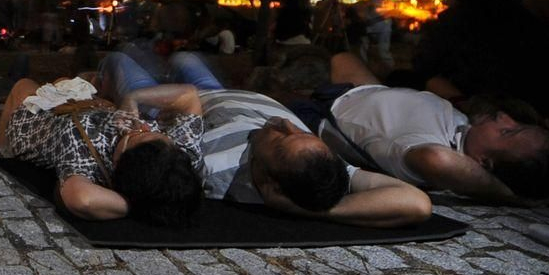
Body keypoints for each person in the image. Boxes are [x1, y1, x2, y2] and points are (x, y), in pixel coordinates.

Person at [105, 51, 432, 226]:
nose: (283, 123)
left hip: (182, 103)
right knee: (185, 57)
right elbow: (417, 203)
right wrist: (320, 211)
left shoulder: (215, 172)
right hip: (228, 93)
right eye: (297, 131)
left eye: (279, 138)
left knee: (121, 59)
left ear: (270, 185)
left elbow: (182, 106)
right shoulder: (318, 168)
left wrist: (134, 100)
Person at [300, 52, 549, 203]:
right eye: (516, 123)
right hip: (365, 90)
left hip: (330, 114)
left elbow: (437, 160)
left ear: (483, 163)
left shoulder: (433, 151)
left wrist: (507, 195)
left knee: (278, 87)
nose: (505, 119)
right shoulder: (467, 129)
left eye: (507, 132)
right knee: (343, 57)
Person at [0, 57, 205, 226]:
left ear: (119, 161)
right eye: (154, 130)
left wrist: (142, 204)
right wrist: (133, 98)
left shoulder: (85, 149)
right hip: (92, 108)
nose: (143, 125)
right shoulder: (178, 160)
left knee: (22, 86)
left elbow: (82, 199)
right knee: (67, 79)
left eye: (138, 135)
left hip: (43, 125)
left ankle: (1, 154)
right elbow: (189, 96)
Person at [411, 0, 549, 125]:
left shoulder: (453, 24)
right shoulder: (522, 15)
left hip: (488, 105)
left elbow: (425, 69)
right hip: (539, 102)